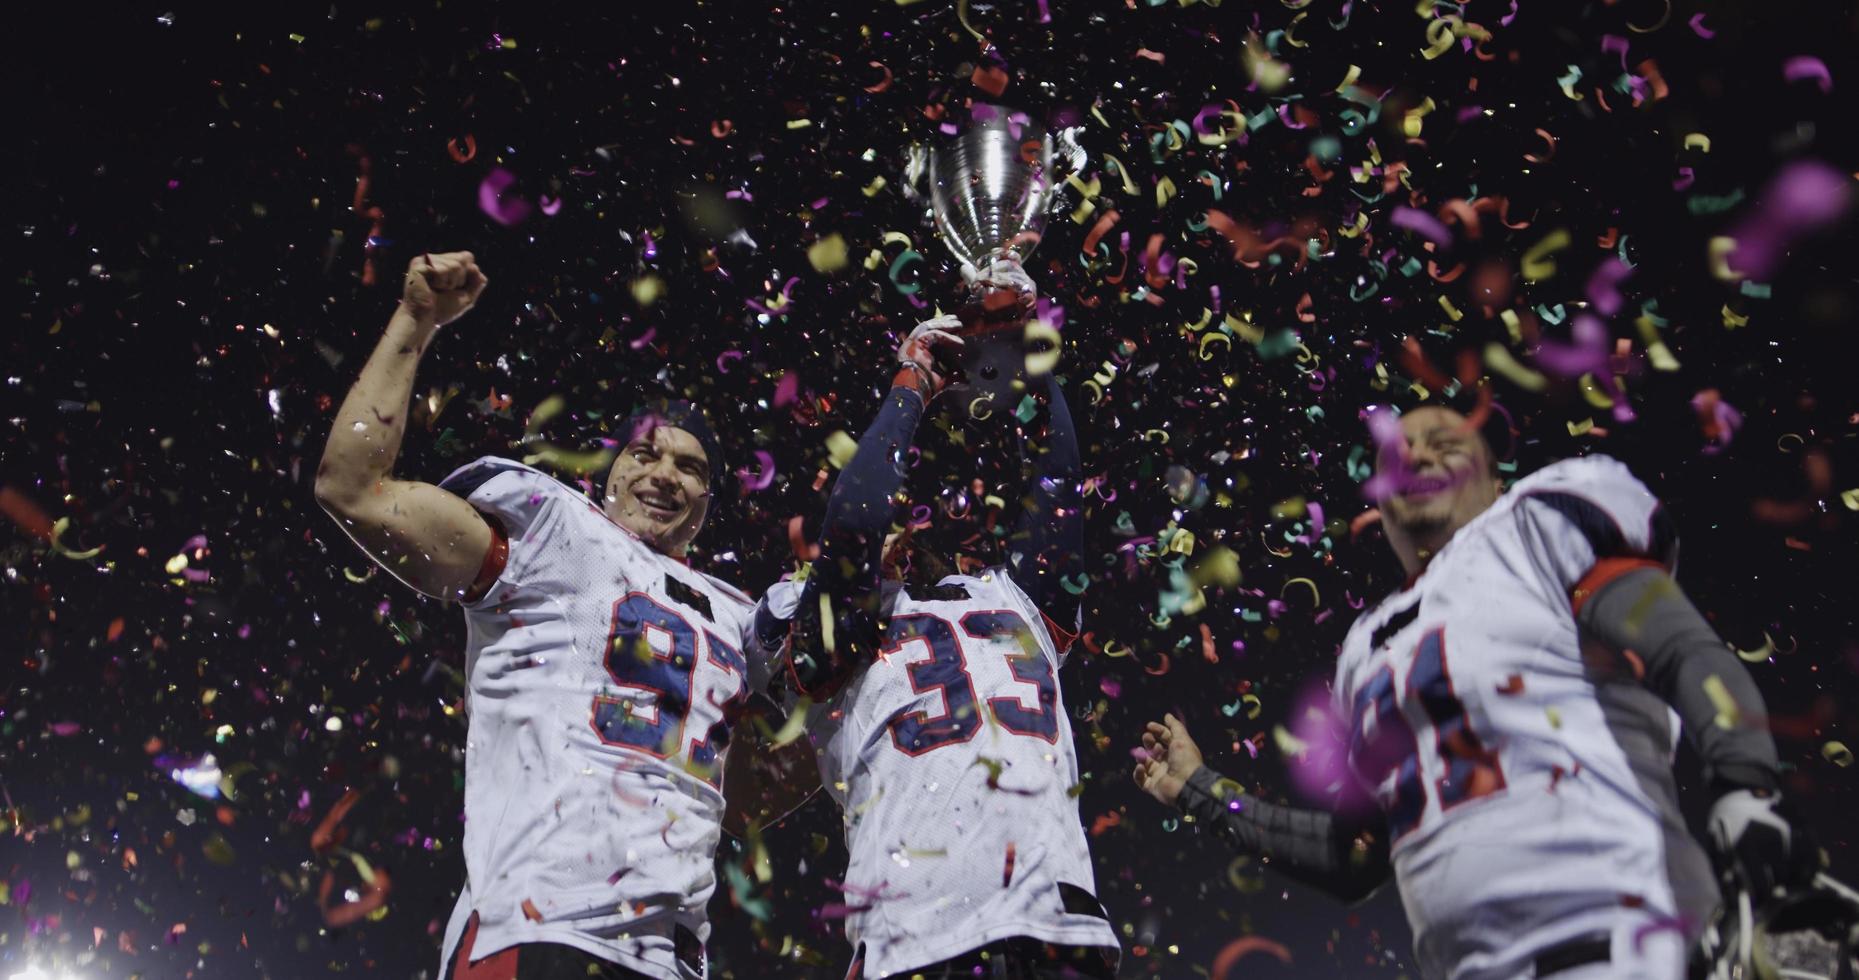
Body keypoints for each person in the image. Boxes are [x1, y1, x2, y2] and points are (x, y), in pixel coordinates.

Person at [1132, 402, 1817, 980]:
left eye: (1445, 441)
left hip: (1627, 947)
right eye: (1400, 451)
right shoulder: (1365, 650)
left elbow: (1680, 647)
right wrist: (1197, 787)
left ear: (1494, 480)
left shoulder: (1532, 532)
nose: (1419, 454)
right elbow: (1352, 857)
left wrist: (1744, 786)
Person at [315, 251, 766, 979]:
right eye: (645, 454)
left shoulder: (739, 618)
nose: (662, 474)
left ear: (709, 501)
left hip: (672, 959)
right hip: (537, 923)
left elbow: (742, 797)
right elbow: (352, 488)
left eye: (690, 467)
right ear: (609, 470)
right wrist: (416, 320)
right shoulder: (555, 535)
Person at [747, 259, 1121, 979]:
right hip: (916, 939)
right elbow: (854, 524)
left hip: (1058, 929)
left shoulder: (1011, 602)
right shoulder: (822, 625)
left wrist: (1021, 352)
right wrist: (910, 382)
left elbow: (1060, 480)